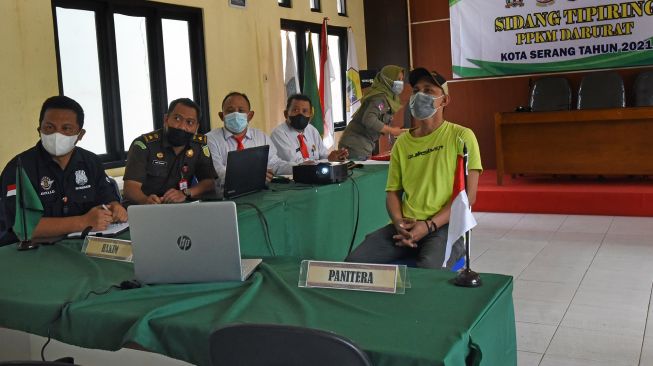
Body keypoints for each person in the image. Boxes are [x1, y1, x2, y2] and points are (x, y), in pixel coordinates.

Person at [345, 68, 482, 269]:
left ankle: (452, 248)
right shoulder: (402, 143)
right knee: (353, 264)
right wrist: (400, 224)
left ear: (444, 100)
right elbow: (392, 192)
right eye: (416, 90)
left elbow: (468, 197)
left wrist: (429, 226)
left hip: (443, 227)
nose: (420, 96)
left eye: (428, 91)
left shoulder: (462, 136)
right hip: (405, 226)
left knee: (426, 274)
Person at [0, 96, 127, 245]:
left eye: (66, 128)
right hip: (30, 253)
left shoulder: (91, 162)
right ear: (39, 129)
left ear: (80, 134)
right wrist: (83, 222)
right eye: (49, 127)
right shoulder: (18, 168)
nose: (56, 135)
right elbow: (24, 227)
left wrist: (116, 207)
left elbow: (108, 198)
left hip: (82, 246)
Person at [123, 98, 217, 204]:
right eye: (177, 118)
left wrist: (186, 193)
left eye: (189, 122)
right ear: (166, 119)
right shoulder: (143, 145)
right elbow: (130, 189)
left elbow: (209, 182)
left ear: (196, 127)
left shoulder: (199, 146)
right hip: (143, 208)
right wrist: (146, 201)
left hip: (179, 208)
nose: (182, 126)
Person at [206, 92, 292, 190]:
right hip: (226, 196)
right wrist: (254, 176)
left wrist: (299, 167)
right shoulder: (210, 140)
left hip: (258, 193)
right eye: (230, 111)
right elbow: (218, 173)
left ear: (250, 116)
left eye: (241, 110)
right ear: (222, 116)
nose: (236, 114)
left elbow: (274, 164)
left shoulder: (261, 136)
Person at [338, 65, 406, 160]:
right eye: (398, 79)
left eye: (402, 79)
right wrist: (391, 130)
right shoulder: (379, 98)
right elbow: (369, 119)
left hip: (363, 144)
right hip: (355, 145)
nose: (401, 83)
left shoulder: (387, 97)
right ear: (387, 79)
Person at [270, 94, 349, 164]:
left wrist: (333, 157)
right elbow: (298, 163)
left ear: (310, 117)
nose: (300, 114)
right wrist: (328, 160)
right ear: (286, 114)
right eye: (295, 110)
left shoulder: (312, 130)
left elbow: (322, 154)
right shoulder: (278, 134)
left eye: (305, 111)